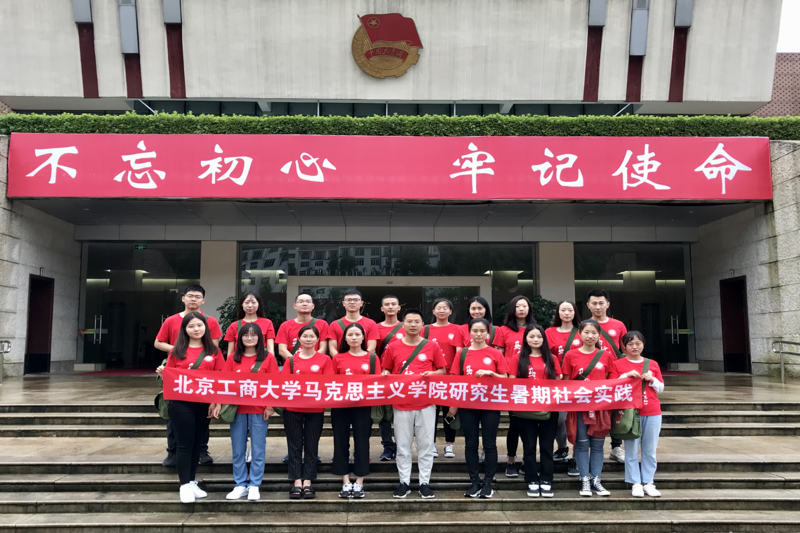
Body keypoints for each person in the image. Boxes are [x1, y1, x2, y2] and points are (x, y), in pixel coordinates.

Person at [155, 312, 223, 503]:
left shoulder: (214, 352)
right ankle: (184, 485)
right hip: (181, 404)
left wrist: (216, 402)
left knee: (196, 444)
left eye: (199, 325)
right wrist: (163, 373)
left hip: (205, 404)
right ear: (184, 329)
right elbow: (169, 379)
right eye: (191, 326)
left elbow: (220, 378)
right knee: (184, 445)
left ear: (205, 328)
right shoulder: (176, 351)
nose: (196, 329)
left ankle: (192, 481)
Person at [382, 309, 448, 499]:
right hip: (401, 403)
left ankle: (424, 482)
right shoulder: (393, 347)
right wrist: (385, 374)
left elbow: (442, 370)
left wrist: (432, 374)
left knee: (426, 445)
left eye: (417, 321)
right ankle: (404, 482)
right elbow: (386, 369)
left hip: (426, 403)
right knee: (403, 446)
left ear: (422, 325)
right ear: (402, 324)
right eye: (409, 321)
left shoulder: (431, 346)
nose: (413, 324)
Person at [155, 285, 222, 467]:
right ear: (183, 298)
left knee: (203, 415)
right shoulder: (171, 320)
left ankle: (201, 450)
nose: (193, 299)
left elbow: (213, 347)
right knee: (175, 413)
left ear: (203, 300)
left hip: (203, 376)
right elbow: (158, 342)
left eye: (197, 296)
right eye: (190, 296)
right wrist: (180, 351)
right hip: (178, 372)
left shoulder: (211, 321)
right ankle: (173, 451)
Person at [448, 318, 509, 499]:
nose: (479, 334)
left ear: (488, 333)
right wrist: (454, 405)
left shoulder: (495, 353)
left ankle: (488, 483)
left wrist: (492, 373)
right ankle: (474, 481)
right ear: (469, 333)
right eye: (475, 331)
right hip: (468, 404)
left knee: (489, 444)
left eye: (482, 331)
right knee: (470, 444)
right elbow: (455, 380)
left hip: (490, 404)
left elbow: (506, 378)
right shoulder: (462, 353)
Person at [222, 323, 279, 501]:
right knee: (238, 449)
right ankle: (240, 484)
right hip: (237, 409)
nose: (249, 338)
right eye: (246, 335)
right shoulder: (233, 358)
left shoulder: (268, 358)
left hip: (259, 410)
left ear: (260, 338)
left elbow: (274, 382)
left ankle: (254, 484)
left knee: (258, 448)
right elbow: (224, 381)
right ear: (240, 338)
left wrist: (270, 406)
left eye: (253, 335)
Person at [561, 319, 616, 497]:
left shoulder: (606, 356)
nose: (590, 336)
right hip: (578, 407)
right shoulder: (570, 355)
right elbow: (566, 383)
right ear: (580, 334)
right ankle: (584, 479)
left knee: (598, 446)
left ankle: (596, 480)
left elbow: (610, 381)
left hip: (600, 408)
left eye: (594, 333)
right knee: (582, 444)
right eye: (586, 332)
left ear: (599, 335)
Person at [508, 325, 562, 498]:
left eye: (539, 336)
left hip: (549, 408)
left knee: (547, 446)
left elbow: (558, 380)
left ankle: (546, 479)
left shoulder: (552, 358)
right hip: (525, 409)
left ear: (544, 339)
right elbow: (512, 381)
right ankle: (531, 479)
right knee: (529, 446)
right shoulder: (517, 358)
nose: (536, 339)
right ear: (525, 338)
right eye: (531, 336)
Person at [282, 324, 335, 499]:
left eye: (312, 336)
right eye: (305, 336)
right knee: (294, 445)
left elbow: (329, 383)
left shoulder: (324, 359)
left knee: (312, 445)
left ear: (318, 339)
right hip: (292, 408)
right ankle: (297, 481)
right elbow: (283, 384)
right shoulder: (291, 360)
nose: (308, 339)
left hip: (315, 409)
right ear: (299, 339)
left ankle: (308, 481)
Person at [610, 331, 664, 498]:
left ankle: (648, 482)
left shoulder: (652, 364)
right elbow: (611, 386)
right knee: (631, 449)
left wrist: (653, 380)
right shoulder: (617, 364)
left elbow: (661, 388)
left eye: (638, 343)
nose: (635, 347)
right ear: (624, 347)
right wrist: (625, 376)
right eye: (630, 344)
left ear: (643, 345)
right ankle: (635, 482)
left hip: (652, 410)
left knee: (650, 449)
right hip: (629, 412)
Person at [331, 323, 379, 498]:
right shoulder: (338, 358)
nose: (353, 338)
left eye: (357, 334)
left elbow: (377, 383)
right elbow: (330, 383)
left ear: (363, 337)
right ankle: (345, 481)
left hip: (363, 407)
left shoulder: (372, 358)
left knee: (362, 441)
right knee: (340, 441)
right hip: (340, 406)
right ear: (344, 338)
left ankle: (359, 481)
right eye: (350, 334)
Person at [586, 289, 628, 464]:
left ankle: (616, 447)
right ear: (588, 305)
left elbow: (626, 349)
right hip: (591, 376)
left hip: (614, 375)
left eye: (601, 303)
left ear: (608, 304)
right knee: (589, 411)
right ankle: (586, 447)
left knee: (615, 410)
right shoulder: (584, 325)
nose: (598, 307)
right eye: (594, 303)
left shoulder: (618, 325)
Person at [497, 295, 537, 478]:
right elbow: (498, 355)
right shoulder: (503, 330)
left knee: (532, 425)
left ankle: (528, 460)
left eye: (524, 306)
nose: (521, 309)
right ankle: (511, 461)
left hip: (533, 384)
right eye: (518, 306)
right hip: (512, 383)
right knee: (514, 424)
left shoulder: (535, 329)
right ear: (512, 309)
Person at [422, 298, 465, 459]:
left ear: (450, 311)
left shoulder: (457, 329)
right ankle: (431, 444)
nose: (441, 310)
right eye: (438, 308)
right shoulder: (426, 329)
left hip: (450, 377)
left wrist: (456, 375)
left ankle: (449, 445)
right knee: (430, 412)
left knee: (450, 412)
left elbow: (459, 353)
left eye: (445, 308)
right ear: (433, 311)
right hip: (431, 377)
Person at [544, 300, 582, 473]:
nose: (566, 313)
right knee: (559, 420)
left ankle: (576, 457)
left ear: (575, 312)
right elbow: (544, 355)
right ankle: (562, 448)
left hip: (578, 383)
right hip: (557, 382)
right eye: (563, 310)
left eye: (570, 310)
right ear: (558, 313)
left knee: (576, 421)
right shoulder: (549, 332)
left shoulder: (582, 331)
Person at [374, 294, 405, 461]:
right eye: (387, 304)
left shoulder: (406, 327)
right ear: (382, 308)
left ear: (399, 308)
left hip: (402, 378)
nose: (391, 307)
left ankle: (401, 446)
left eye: (394, 304)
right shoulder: (375, 328)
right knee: (384, 415)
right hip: (382, 376)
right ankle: (387, 446)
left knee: (401, 414)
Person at [276, 293, 329, 362]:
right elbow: (282, 350)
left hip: (315, 365)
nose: (304, 304)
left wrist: (310, 362)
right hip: (292, 365)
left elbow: (323, 349)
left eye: (308, 302)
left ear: (313, 306)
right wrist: (297, 363)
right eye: (301, 302)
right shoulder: (285, 326)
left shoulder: (323, 324)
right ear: (295, 306)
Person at [223, 290, 276, 358]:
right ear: (242, 304)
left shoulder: (267, 323)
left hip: (261, 361)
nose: (250, 305)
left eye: (253, 302)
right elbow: (230, 352)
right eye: (247, 302)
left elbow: (270, 349)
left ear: (258, 304)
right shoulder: (234, 326)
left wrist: (270, 362)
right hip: (240, 362)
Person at [326, 289, 380, 356]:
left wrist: (359, 360)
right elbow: (332, 349)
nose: (352, 302)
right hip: (340, 361)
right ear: (343, 303)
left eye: (356, 300)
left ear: (361, 303)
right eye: (349, 300)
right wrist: (341, 360)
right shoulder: (334, 325)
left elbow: (371, 348)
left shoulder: (371, 324)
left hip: (364, 361)